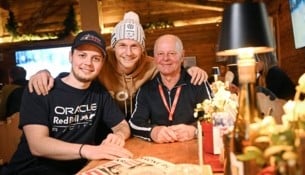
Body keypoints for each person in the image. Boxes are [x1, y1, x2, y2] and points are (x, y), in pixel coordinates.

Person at [27, 11, 208, 120]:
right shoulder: (101, 61)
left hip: (141, 126)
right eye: (122, 45)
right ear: (113, 46)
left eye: (134, 46)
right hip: (105, 129)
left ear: (142, 49)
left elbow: (171, 67)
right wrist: (44, 72)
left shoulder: (152, 64)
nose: (128, 53)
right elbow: (76, 74)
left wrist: (190, 70)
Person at [2, 31, 132, 175]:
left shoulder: (99, 93)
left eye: (96, 58)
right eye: (82, 55)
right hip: (30, 170)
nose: (88, 63)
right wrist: (88, 150)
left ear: (102, 63)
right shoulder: (41, 88)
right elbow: (37, 145)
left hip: (78, 170)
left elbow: (122, 125)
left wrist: (119, 136)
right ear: (70, 57)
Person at [129, 34, 213, 143]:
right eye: (160, 54)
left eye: (172, 53)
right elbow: (134, 123)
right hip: (159, 151)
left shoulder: (198, 82)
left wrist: (195, 131)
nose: (165, 58)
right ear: (154, 58)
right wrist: (153, 131)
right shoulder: (146, 89)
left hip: (193, 148)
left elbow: (215, 118)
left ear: (182, 56)